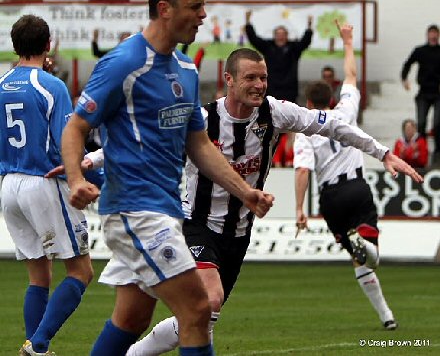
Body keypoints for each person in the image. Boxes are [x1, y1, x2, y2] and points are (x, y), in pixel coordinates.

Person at [123, 30, 422, 356]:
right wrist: (93, 162)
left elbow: (333, 124)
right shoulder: (203, 119)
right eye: (250, 77)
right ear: (229, 80)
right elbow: (152, 146)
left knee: (203, 319)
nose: (259, 84)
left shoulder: (275, 112)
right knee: (208, 301)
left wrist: (382, 153)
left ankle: (134, 354)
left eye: (263, 78)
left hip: (238, 233)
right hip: (196, 222)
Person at [60, 0, 274, 356]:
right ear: (165, 9)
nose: (203, 15)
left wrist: (245, 192)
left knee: (131, 319)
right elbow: (75, 127)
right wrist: (75, 179)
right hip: (134, 210)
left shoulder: (186, 69)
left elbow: (200, 145)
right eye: (194, 6)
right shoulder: (124, 63)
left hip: (166, 210)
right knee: (199, 308)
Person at [294, 22, 399, 331]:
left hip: (330, 198)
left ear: (309, 104)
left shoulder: (305, 130)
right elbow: (352, 75)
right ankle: (372, 255)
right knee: (368, 255)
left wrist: (300, 209)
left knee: (356, 259)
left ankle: (386, 315)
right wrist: (348, 41)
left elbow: (302, 170)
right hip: (357, 187)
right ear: (331, 98)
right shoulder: (346, 112)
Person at [0, 15, 93, 355]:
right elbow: (66, 140)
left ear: (14, 46)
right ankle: (38, 343)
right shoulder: (51, 85)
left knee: (38, 277)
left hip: (8, 184)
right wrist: (80, 179)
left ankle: (34, 348)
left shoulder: (1, 83)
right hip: (43, 181)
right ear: (48, 44)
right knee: (81, 271)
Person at [245, 10, 313, 102]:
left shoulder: (293, 48)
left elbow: (305, 42)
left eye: (283, 34)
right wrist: (248, 22)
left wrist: (309, 27)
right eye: (278, 34)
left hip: (289, 90)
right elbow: (254, 39)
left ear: (287, 36)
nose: (280, 37)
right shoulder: (268, 47)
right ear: (274, 36)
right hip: (271, 90)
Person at [401, 24, 440, 162]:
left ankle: (437, 153)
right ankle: (422, 152)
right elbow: (408, 64)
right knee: (421, 123)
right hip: (423, 93)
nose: (433, 36)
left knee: (437, 123)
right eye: (431, 33)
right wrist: (404, 78)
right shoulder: (420, 50)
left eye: (436, 33)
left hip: (438, 93)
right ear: (427, 35)